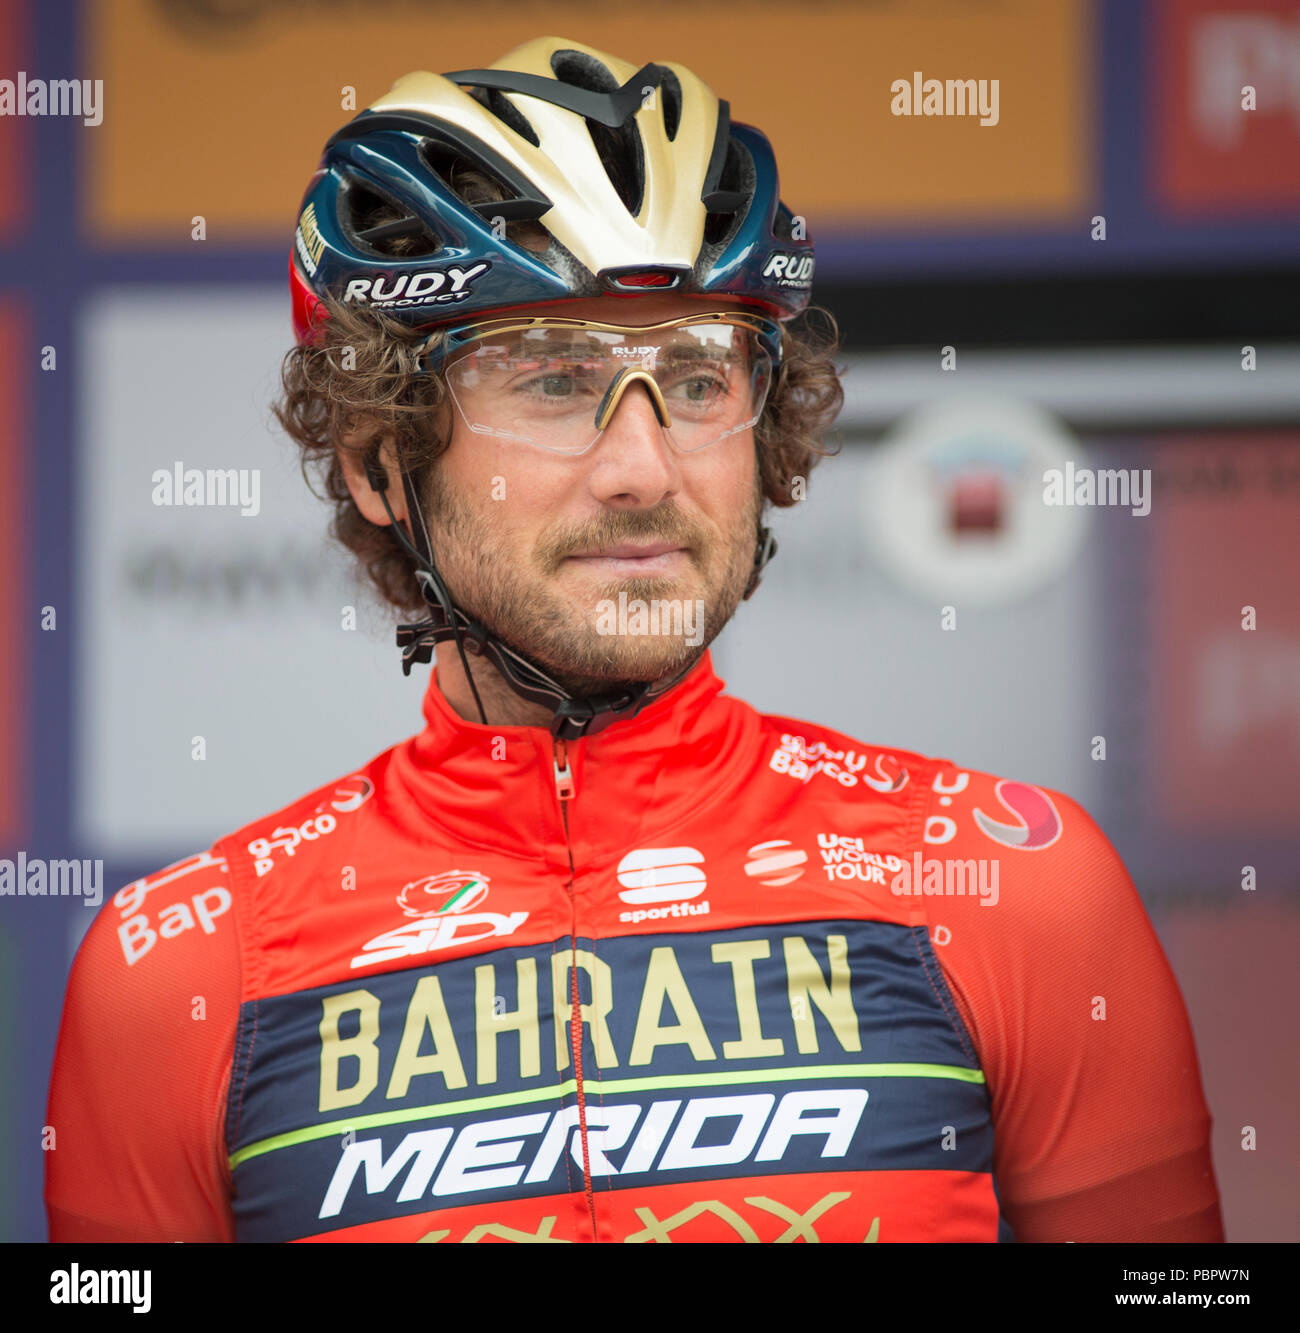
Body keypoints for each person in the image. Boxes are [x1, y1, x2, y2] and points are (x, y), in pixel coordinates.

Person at [45, 35, 1223, 1244]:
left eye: (701, 376)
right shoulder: (179, 978)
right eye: (553, 378)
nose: (643, 469)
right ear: (381, 460)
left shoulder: (1017, 889)